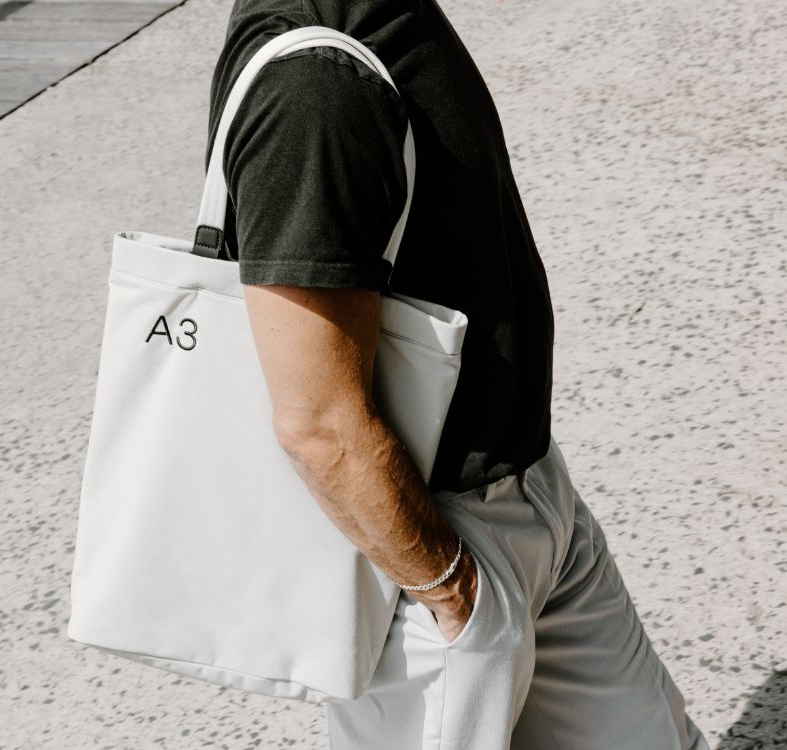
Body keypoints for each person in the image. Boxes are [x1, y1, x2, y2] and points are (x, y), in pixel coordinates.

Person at [205, 1, 710, 748]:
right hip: (434, 544)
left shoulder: (382, 13)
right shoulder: (314, 90)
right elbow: (318, 424)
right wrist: (455, 593)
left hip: (530, 493)